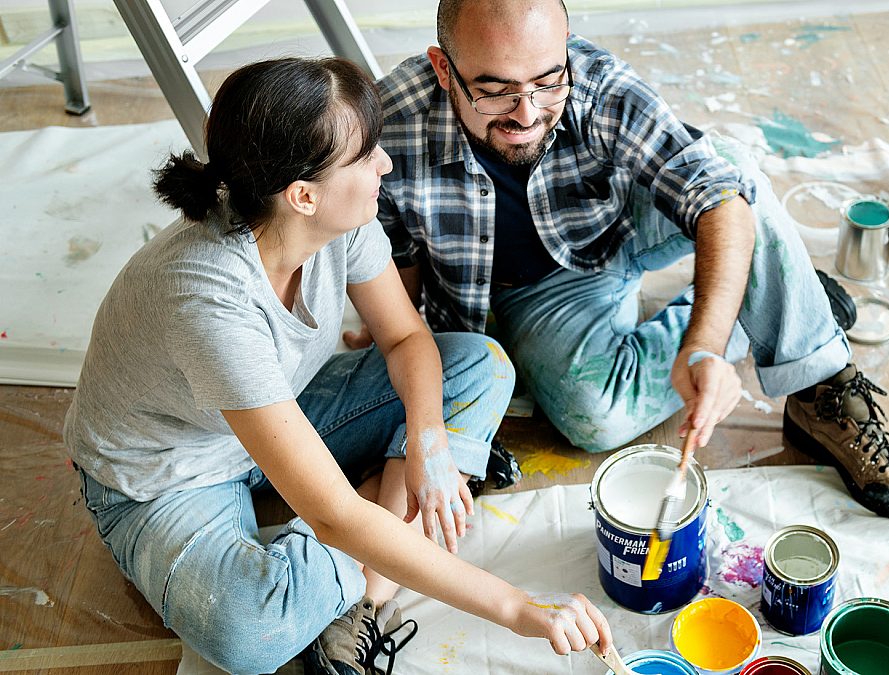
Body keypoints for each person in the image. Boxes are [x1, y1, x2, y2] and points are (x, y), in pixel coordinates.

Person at [63, 57, 611, 675]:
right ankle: (396, 523)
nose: (386, 163)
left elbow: (406, 338)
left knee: (477, 364)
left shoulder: (332, 220)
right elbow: (333, 515)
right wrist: (517, 610)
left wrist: (428, 440)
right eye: (367, 153)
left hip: (280, 408)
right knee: (250, 632)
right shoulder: (209, 300)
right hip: (169, 474)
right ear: (303, 195)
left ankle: (362, 599)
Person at [360, 0, 889, 521]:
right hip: (529, 287)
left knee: (732, 173)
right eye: (494, 90)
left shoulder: (596, 83)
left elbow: (714, 194)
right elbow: (397, 261)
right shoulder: (389, 127)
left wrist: (704, 344)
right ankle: (781, 300)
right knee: (594, 418)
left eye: (546, 81)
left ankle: (819, 386)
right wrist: (404, 339)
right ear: (442, 68)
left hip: (620, 226)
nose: (529, 114)